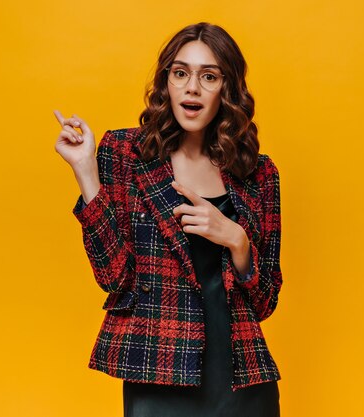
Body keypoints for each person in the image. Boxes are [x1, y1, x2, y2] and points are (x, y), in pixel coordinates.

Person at [54, 22, 283, 417]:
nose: (192, 87)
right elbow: (115, 279)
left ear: (226, 91)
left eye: (208, 76)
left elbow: (265, 302)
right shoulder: (124, 153)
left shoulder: (257, 173)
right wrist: (86, 173)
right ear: (167, 83)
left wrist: (237, 240)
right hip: (157, 373)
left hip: (242, 380)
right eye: (181, 73)